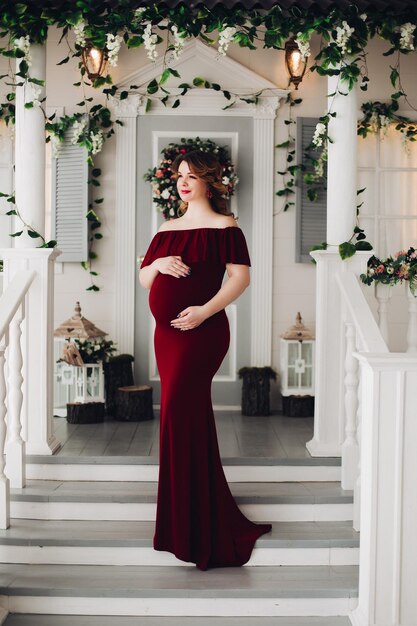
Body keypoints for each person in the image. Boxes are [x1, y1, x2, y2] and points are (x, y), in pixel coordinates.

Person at [139, 149, 272, 570]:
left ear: (209, 182)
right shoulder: (167, 227)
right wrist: (158, 262)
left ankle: (196, 521)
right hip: (167, 336)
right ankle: (186, 518)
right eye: (179, 175)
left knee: (180, 408)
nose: (182, 181)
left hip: (204, 332)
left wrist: (203, 311)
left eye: (191, 176)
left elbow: (241, 278)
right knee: (180, 415)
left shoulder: (225, 226)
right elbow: (145, 279)